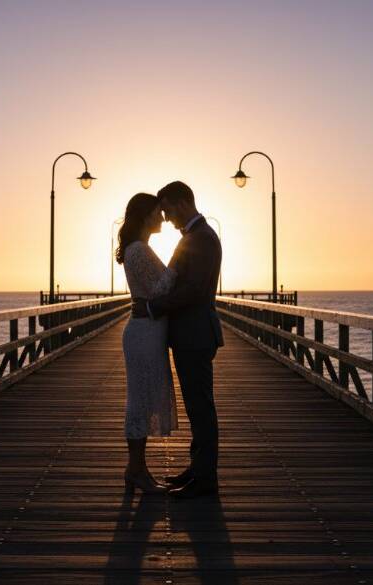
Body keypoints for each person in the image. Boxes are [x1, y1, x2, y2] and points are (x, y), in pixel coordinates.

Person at [132, 180, 223, 499]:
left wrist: (151, 306)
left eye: (168, 209)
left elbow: (194, 291)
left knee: (201, 407)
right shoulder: (197, 236)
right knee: (197, 406)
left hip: (195, 334)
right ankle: (198, 470)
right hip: (191, 333)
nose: (167, 218)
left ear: (182, 203)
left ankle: (205, 479)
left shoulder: (202, 238)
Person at [118, 192, 178, 493]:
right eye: (158, 212)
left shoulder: (139, 248)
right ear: (145, 216)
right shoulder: (140, 250)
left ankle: (137, 469)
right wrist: (180, 263)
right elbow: (161, 287)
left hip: (147, 330)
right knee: (140, 400)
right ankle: (136, 470)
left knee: (143, 398)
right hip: (144, 332)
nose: (163, 218)